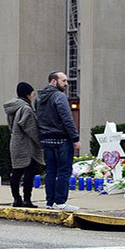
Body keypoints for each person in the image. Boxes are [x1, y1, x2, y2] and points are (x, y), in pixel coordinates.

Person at [36, 71, 81, 210]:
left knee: (50, 172)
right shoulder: (59, 96)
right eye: (64, 81)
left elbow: (38, 118)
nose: (66, 84)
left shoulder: (39, 98)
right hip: (62, 139)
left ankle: (49, 202)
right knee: (64, 172)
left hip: (46, 140)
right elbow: (67, 118)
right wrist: (75, 138)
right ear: (54, 81)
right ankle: (60, 202)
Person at [3, 82, 44, 208]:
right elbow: (31, 128)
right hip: (27, 146)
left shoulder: (14, 107)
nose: (33, 96)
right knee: (28, 173)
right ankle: (27, 199)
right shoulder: (26, 108)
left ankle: (16, 199)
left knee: (16, 172)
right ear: (27, 94)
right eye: (32, 94)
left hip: (16, 144)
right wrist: (40, 143)